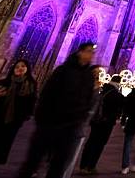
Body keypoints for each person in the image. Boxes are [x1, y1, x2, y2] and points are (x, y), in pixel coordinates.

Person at [17, 43, 96, 178]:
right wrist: (42, 119)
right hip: (50, 123)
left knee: (59, 164)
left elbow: (89, 100)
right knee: (34, 160)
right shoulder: (63, 70)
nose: (92, 55)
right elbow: (46, 94)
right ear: (79, 52)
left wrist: (80, 119)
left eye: (93, 52)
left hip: (71, 127)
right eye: (89, 51)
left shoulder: (89, 76)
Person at [79, 75, 125, 173]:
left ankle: (83, 165)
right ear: (119, 83)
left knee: (91, 141)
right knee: (99, 144)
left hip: (96, 120)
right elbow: (122, 106)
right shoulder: (116, 94)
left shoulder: (103, 90)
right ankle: (91, 166)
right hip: (107, 122)